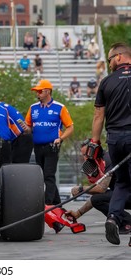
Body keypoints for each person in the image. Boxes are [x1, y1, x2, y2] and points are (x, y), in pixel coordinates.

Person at [91, 42, 131, 245]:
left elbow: (99, 115)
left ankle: (113, 217)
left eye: (110, 59)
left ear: (119, 57)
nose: (109, 64)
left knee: (122, 183)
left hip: (115, 139)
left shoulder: (106, 82)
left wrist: (94, 143)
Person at [23, 79, 74, 205]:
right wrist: (25, 129)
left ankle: (48, 204)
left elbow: (70, 127)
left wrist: (60, 138)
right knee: (42, 176)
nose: (37, 94)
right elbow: (29, 128)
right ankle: (58, 203)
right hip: (37, 146)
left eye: (40, 91)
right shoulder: (33, 108)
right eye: (37, 92)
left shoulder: (59, 107)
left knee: (48, 175)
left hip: (53, 145)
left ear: (48, 91)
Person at [66, 140, 131, 234]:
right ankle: (125, 221)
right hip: (124, 195)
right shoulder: (99, 162)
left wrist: (80, 189)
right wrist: (78, 213)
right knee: (97, 199)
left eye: (86, 155)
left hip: (127, 194)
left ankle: (126, 221)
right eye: (83, 155)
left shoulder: (108, 159)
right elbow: (97, 195)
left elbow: (101, 189)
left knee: (98, 199)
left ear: (93, 150)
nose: (85, 159)